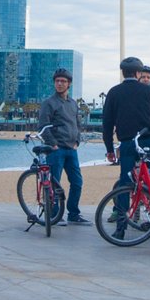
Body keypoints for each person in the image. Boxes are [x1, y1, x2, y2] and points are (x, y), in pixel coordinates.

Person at [102, 56, 150, 194]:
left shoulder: (114, 92)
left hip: (128, 142)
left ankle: (121, 212)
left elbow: (107, 123)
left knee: (126, 179)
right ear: (138, 73)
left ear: (123, 73)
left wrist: (109, 148)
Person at [37, 68, 88, 225]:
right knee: (54, 184)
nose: (60, 84)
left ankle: (73, 213)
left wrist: (77, 142)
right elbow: (43, 127)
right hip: (56, 150)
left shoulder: (72, 103)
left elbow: (77, 124)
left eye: (63, 81)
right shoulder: (49, 103)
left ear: (69, 84)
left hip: (71, 150)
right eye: (57, 81)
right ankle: (54, 215)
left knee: (77, 182)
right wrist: (53, 144)